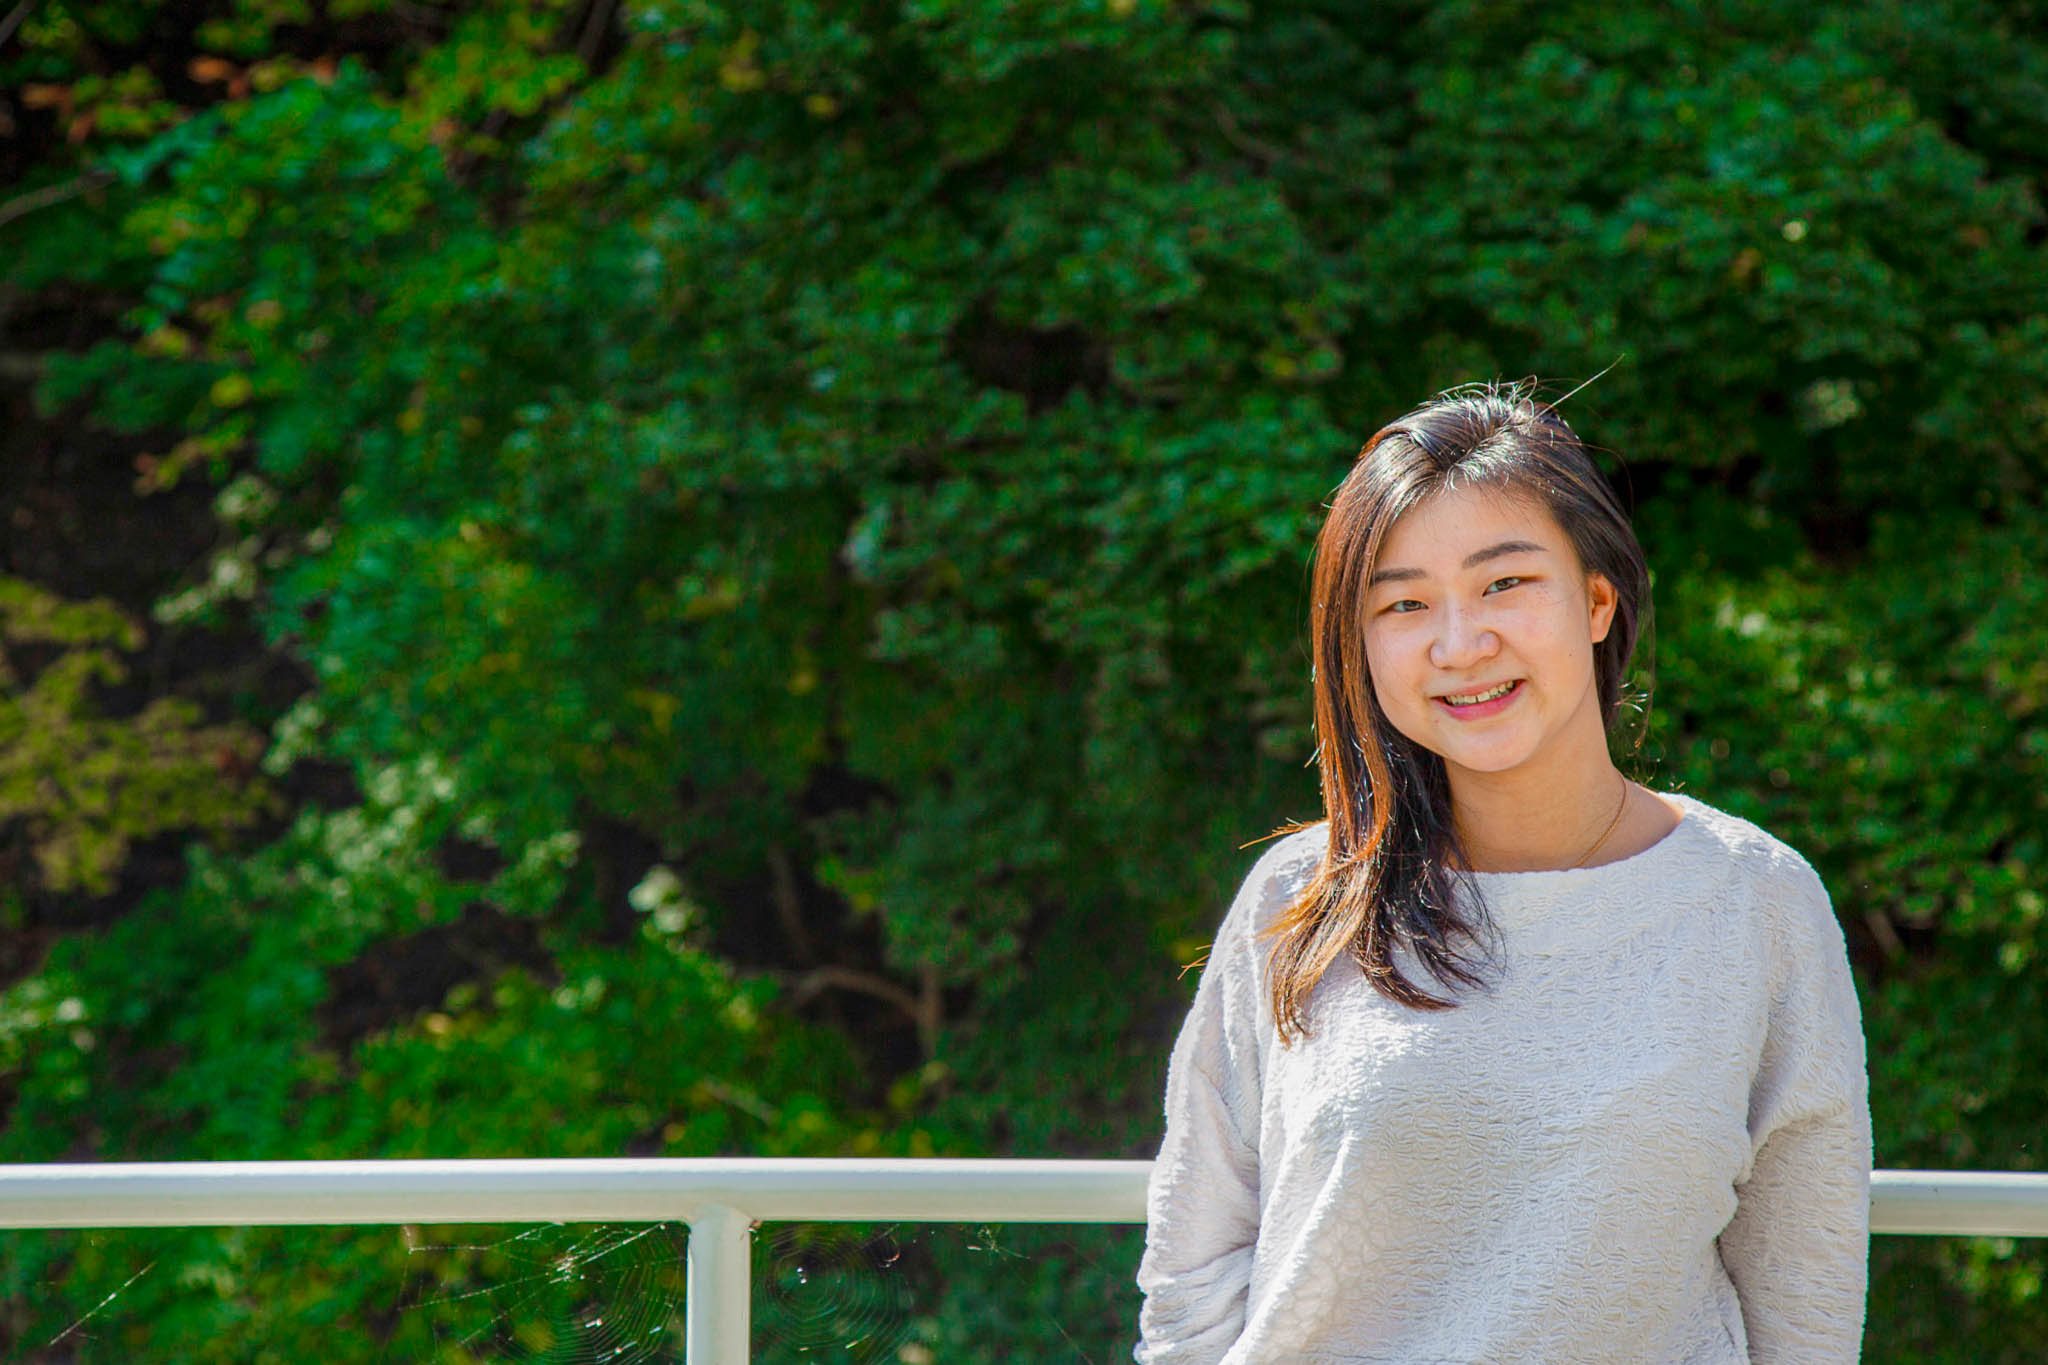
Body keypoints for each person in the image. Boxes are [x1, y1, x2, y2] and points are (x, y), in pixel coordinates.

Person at [1132, 379, 1872, 1364]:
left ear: (1598, 600)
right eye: (1403, 603)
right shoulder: (1297, 898)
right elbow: (1190, 1277)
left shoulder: (1755, 902)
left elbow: (1805, 1301)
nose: (1459, 643)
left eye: (1504, 583)